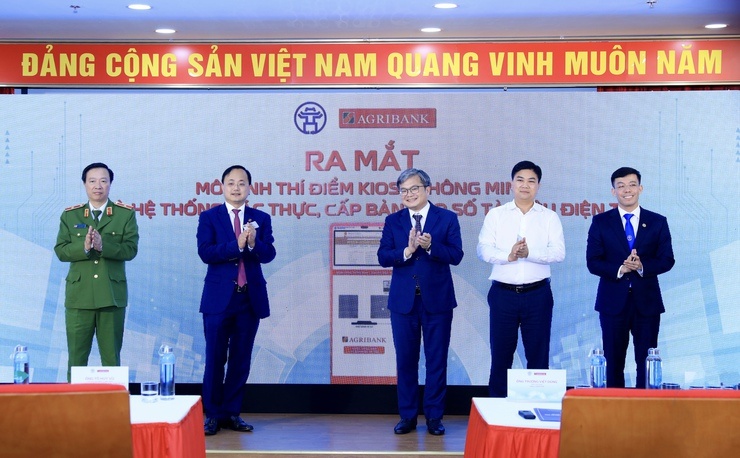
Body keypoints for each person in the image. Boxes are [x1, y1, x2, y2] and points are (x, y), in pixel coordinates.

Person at [377, 168, 464, 436]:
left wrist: (430, 247)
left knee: (436, 361)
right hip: (403, 304)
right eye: (404, 190)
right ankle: (408, 416)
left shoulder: (447, 218)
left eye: (414, 188)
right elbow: (383, 256)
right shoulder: (393, 221)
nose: (409, 194)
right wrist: (408, 250)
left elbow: (456, 255)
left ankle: (435, 417)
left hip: (437, 302)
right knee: (405, 361)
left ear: (427, 189)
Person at [197, 165, 276, 436]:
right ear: (222, 187)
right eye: (231, 183)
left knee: (241, 359)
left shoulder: (261, 218)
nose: (236, 188)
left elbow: (269, 254)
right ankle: (212, 415)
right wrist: (237, 245)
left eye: (241, 183)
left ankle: (232, 413)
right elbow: (205, 252)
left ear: (249, 188)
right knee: (215, 358)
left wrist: (253, 244)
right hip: (218, 300)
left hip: (248, 299)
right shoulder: (209, 217)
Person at [476, 160, 565, 398]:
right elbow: (483, 250)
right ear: (512, 184)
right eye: (520, 180)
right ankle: (497, 410)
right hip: (503, 295)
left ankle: (537, 410)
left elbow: (559, 253)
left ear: (538, 186)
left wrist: (529, 254)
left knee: (538, 355)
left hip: (538, 295)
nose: (525, 185)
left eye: (531, 181)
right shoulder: (496, 215)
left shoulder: (549, 217)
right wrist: (509, 256)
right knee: (501, 356)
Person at [586, 166, 674, 388]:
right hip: (612, 302)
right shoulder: (601, 222)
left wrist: (642, 266)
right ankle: (614, 408)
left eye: (632, 185)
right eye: (621, 186)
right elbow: (593, 262)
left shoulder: (657, 221)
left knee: (646, 363)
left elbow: (667, 259)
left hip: (647, 303)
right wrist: (620, 269)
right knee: (613, 362)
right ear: (613, 191)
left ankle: (645, 408)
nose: (627, 190)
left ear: (640, 188)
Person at [54, 162, 139, 382]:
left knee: (111, 359)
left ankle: (112, 403)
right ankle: (74, 403)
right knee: (76, 359)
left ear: (110, 184)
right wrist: (83, 248)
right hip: (79, 297)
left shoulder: (124, 214)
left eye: (103, 181)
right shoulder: (71, 215)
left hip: (111, 296)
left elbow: (130, 250)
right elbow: (61, 251)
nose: (97, 186)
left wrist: (103, 246)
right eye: (92, 181)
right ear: (84, 184)